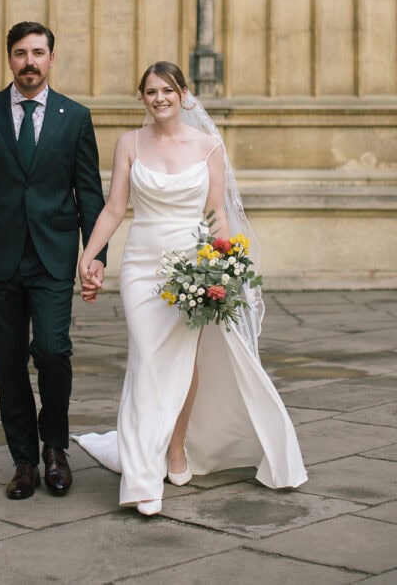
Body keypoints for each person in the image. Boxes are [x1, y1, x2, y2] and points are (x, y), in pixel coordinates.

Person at [75, 61, 307, 516]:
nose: (158, 98)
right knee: (146, 361)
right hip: (142, 266)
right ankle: (142, 480)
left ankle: (176, 450)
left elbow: (218, 215)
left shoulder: (208, 147)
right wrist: (89, 255)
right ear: (142, 98)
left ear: (184, 94)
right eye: (149, 91)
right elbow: (114, 208)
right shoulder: (129, 144)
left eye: (167, 90)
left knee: (183, 364)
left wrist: (221, 269)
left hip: (191, 270)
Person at [0, 21, 107, 500]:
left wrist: (94, 255)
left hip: (53, 257)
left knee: (54, 350)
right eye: (21, 53)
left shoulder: (75, 117)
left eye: (38, 52)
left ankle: (55, 448)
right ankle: (23, 461)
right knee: (8, 360)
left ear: (52, 59)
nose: (30, 62)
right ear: (10, 58)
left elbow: (91, 194)